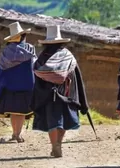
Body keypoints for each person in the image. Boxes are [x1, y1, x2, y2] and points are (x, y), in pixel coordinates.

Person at [31, 25, 89, 157]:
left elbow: (37, 77)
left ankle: (53, 145)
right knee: (62, 120)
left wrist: (38, 96)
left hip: (48, 95)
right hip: (65, 94)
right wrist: (81, 100)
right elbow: (76, 77)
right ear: (61, 42)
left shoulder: (42, 57)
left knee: (52, 121)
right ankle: (59, 144)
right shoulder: (68, 56)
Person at [0, 22, 36, 143]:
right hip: (27, 86)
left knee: (14, 112)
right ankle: (18, 134)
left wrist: (0, 87)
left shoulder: (6, 52)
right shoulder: (30, 49)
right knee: (21, 112)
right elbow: (34, 66)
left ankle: (14, 133)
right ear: (22, 36)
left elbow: (1, 71)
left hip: (11, 87)